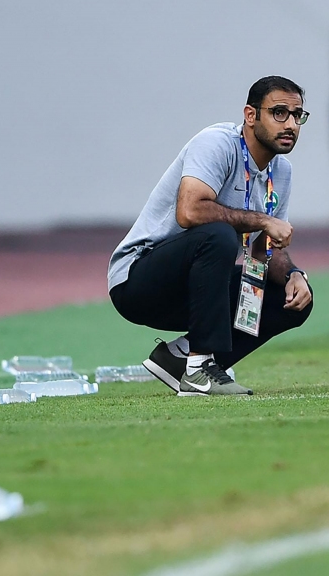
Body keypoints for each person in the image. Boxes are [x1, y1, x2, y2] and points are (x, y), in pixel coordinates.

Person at [107, 76, 313, 396]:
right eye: (279, 112)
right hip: (139, 281)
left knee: (290, 299)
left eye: (297, 115)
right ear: (250, 115)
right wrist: (262, 220)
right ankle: (198, 369)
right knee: (218, 235)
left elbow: (261, 252)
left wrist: (292, 274)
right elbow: (189, 212)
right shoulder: (217, 143)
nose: (290, 124)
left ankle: (179, 357)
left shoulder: (281, 172)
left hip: (199, 290)